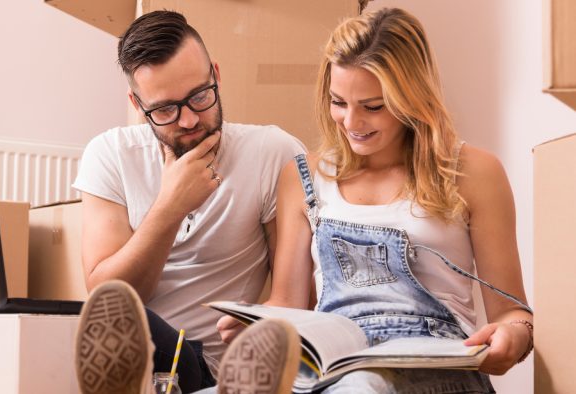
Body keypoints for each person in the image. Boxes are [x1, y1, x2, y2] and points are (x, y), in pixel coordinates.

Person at [225, 7, 533, 393]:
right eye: (339, 102)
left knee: (364, 387)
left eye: (372, 106)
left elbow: (512, 312)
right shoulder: (303, 177)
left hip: (437, 363)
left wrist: (513, 337)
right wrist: (257, 325)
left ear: (411, 98)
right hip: (334, 361)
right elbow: (288, 303)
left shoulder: (474, 172)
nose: (351, 123)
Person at [71, 10, 307, 393]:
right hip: (142, 353)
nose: (188, 120)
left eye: (200, 96)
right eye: (165, 109)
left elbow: (296, 296)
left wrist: (261, 323)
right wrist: (170, 204)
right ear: (136, 103)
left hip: (215, 363)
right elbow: (109, 297)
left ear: (215, 74)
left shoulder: (271, 152)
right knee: (130, 323)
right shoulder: (110, 153)